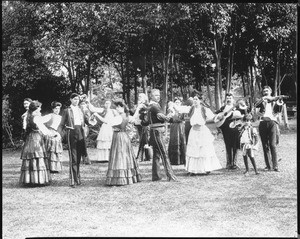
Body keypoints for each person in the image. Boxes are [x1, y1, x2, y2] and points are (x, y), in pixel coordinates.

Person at [92, 99, 142, 186]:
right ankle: (128, 177)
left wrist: (96, 115)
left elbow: (106, 121)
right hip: (124, 136)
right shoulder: (126, 115)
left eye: (119, 107)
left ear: (123, 107)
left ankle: (120, 178)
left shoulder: (119, 117)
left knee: (119, 156)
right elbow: (133, 118)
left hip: (118, 136)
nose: (117, 109)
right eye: (117, 107)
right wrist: (137, 109)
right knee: (125, 156)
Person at [19, 100, 57, 186]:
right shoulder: (36, 117)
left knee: (31, 157)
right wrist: (52, 134)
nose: (40, 109)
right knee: (37, 156)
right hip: (36, 138)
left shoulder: (29, 115)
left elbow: (41, 122)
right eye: (39, 107)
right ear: (36, 108)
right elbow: (43, 128)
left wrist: (50, 116)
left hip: (30, 137)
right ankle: (37, 180)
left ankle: (30, 179)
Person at [184, 92, 222, 175]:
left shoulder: (204, 109)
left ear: (200, 100)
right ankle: (193, 170)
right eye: (194, 99)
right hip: (193, 131)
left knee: (204, 150)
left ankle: (206, 168)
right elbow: (182, 109)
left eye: (196, 99)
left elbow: (213, 117)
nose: (195, 101)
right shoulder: (191, 109)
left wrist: (219, 117)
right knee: (194, 150)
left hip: (202, 131)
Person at [145, 89, 178, 182]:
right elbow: (167, 118)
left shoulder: (151, 106)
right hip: (157, 133)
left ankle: (156, 176)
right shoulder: (154, 107)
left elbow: (146, 121)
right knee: (164, 154)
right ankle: (171, 176)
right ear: (151, 96)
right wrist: (171, 109)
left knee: (157, 155)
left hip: (154, 132)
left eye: (159, 95)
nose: (158, 97)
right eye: (156, 95)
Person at [57, 93, 90, 188]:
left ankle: (78, 178)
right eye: (75, 99)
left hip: (81, 133)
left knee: (79, 157)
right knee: (73, 158)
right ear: (71, 100)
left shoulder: (81, 110)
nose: (77, 101)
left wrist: (91, 115)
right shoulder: (67, 110)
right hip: (71, 133)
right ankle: (73, 180)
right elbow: (61, 124)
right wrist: (58, 134)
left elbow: (88, 121)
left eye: (78, 99)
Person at [254, 86, 284, 172]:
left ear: (270, 92)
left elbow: (279, 110)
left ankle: (275, 166)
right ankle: (268, 165)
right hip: (263, 123)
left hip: (272, 123)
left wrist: (279, 100)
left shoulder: (275, 100)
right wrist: (263, 99)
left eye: (267, 91)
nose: (266, 92)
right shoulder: (260, 101)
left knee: (272, 145)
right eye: (264, 91)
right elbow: (255, 108)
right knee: (265, 145)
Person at [214, 93, 243, 169]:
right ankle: (228, 163)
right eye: (227, 98)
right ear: (225, 99)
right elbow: (216, 117)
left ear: (233, 99)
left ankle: (234, 163)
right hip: (225, 129)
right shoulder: (223, 108)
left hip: (235, 128)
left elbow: (243, 116)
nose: (229, 99)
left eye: (230, 98)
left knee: (235, 145)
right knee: (228, 145)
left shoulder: (237, 108)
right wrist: (219, 117)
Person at [43, 101, 63, 173]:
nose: (57, 110)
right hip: (50, 133)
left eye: (58, 108)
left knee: (56, 150)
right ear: (53, 109)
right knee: (50, 150)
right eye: (55, 109)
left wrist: (59, 133)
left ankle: (55, 167)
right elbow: (40, 121)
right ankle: (49, 167)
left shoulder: (60, 117)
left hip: (57, 133)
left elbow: (62, 126)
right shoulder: (50, 115)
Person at [167, 98, 186, 165]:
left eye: (178, 102)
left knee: (182, 141)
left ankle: (182, 160)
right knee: (174, 141)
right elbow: (168, 119)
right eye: (176, 102)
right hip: (174, 127)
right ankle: (174, 160)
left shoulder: (182, 110)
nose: (177, 103)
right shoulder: (171, 110)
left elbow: (182, 118)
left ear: (181, 103)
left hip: (180, 127)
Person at [133, 93, 150, 162]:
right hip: (138, 124)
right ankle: (146, 156)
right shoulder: (139, 105)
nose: (139, 97)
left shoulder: (142, 105)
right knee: (143, 140)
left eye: (141, 96)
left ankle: (143, 156)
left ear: (144, 98)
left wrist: (132, 118)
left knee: (144, 140)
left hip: (143, 124)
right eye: (139, 96)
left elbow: (137, 114)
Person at [78, 99, 92, 165]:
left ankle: (86, 159)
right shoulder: (77, 110)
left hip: (84, 128)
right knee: (79, 143)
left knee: (83, 143)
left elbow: (88, 121)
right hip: (77, 129)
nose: (82, 105)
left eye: (84, 104)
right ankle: (82, 159)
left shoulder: (86, 111)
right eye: (81, 104)